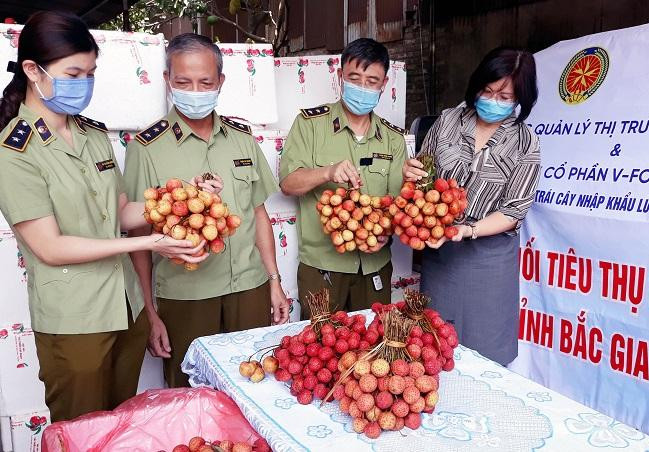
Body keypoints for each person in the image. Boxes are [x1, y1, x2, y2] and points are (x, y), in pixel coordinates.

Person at [0, 12, 206, 421]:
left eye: (90, 73)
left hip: (125, 309)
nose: (84, 84)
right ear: (32, 70)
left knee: (119, 429)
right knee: (80, 433)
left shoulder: (93, 135)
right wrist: (151, 241)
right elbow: (51, 247)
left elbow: (123, 212)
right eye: (73, 73)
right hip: (76, 320)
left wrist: (182, 195)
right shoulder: (14, 151)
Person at [124, 33, 289, 388]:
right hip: (186, 296)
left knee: (253, 388)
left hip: (249, 288)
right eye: (183, 82)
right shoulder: (146, 148)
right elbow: (138, 235)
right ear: (168, 80)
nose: (195, 91)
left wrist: (274, 281)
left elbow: (258, 214)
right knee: (190, 397)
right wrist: (149, 314)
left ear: (221, 82)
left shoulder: (242, 139)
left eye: (205, 82)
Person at [403, 47, 541, 365]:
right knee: (433, 348)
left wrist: (467, 229)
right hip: (442, 256)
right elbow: (424, 180)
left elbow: (513, 210)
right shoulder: (449, 121)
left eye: (504, 97)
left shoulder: (525, 142)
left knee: (485, 355)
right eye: (488, 90)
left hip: (489, 263)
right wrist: (411, 175)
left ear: (521, 98)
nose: (493, 100)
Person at [280, 38, 406, 317]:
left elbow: (399, 205)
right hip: (323, 266)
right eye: (354, 78)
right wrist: (327, 172)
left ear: (384, 84)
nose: (362, 87)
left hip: (374, 266)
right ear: (340, 77)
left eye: (372, 81)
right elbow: (288, 183)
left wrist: (387, 231)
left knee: (374, 350)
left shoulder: (393, 139)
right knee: (319, 349)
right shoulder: (310, 125)